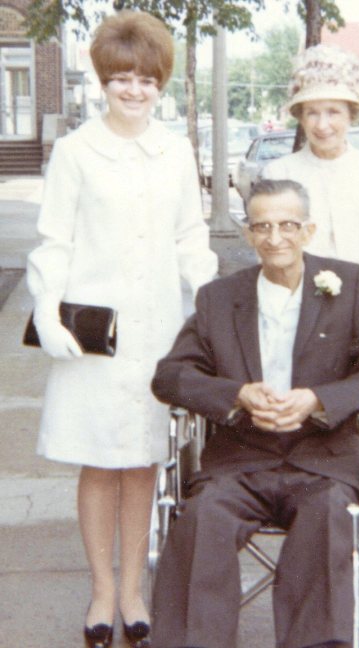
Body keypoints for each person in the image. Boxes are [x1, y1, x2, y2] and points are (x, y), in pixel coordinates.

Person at [26, 11, 217, 648]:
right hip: (93, 333)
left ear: (160, 83)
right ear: (103, 81)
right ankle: (101, 591)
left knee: (142, 463)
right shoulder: (77, 152)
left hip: (159, 328)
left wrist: (207, 300)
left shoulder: (177, 151)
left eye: (145, 79)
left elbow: (191, 236)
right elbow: (55, 239)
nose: (133, 90)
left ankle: (133, 589)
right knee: (98, 461)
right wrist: (48, 308)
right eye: (121, 78)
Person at [150, 179, 359, 648]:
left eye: (288, 225)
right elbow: (170, 377)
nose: (275, 237)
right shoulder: (218, 298)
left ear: (308, 230)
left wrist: (318, 401)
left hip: (321, 462)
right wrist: (237, 394)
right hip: (241, 461)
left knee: (328, 520)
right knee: (203, 519)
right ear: (248, 234)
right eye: (262, 226)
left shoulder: (352, 285)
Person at [263, 44, 359, 464]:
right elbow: (272, 253)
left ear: (351, 114)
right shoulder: (280, 173)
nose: (323, 124)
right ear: (299, 116)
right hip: (295, 318)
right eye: (312, 112)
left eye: (334, 112)